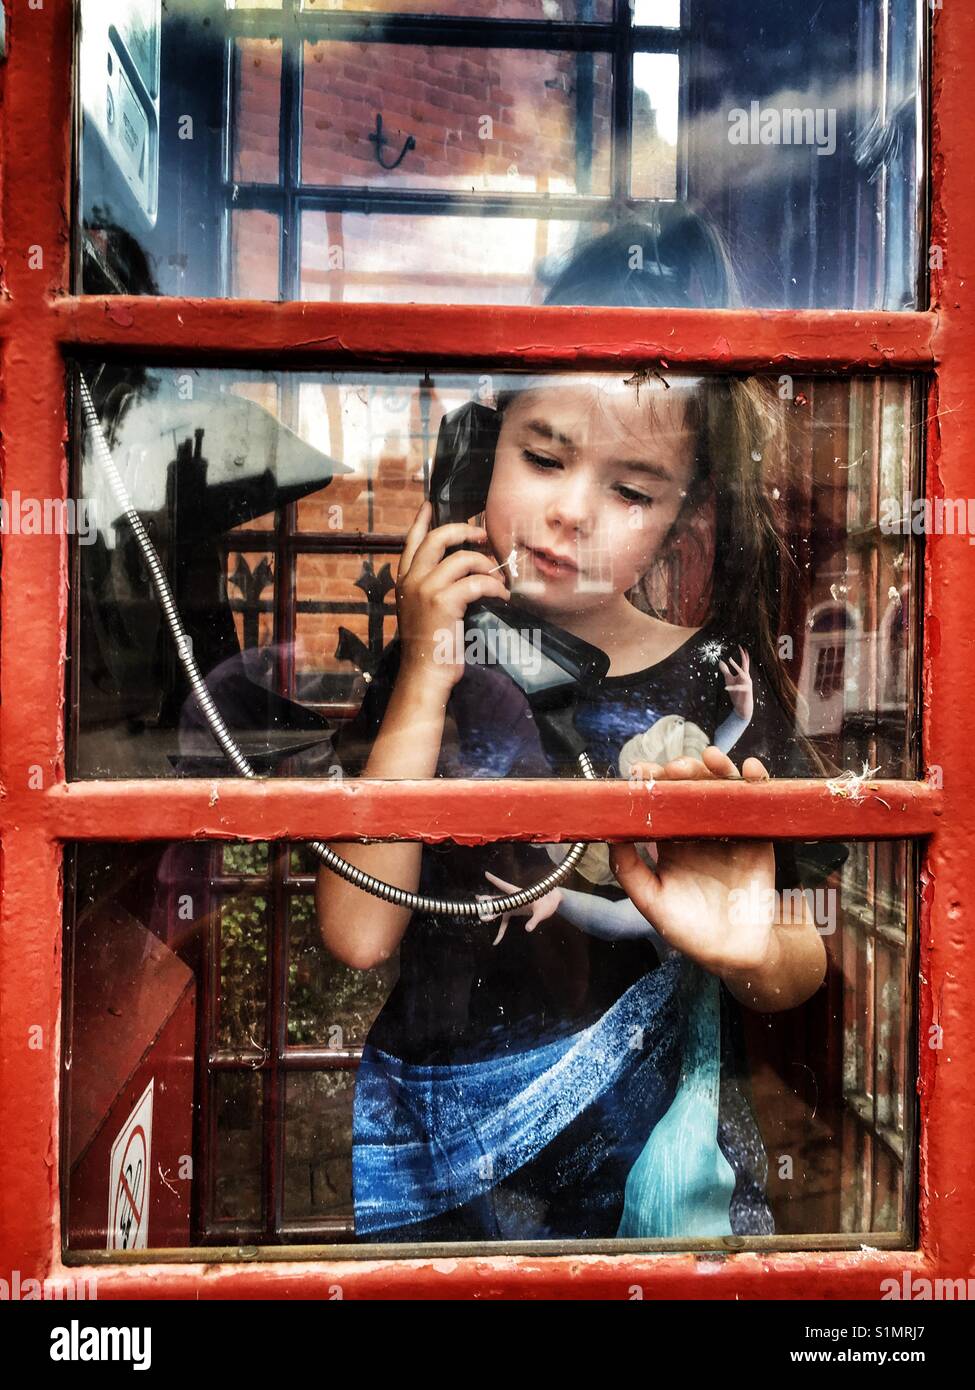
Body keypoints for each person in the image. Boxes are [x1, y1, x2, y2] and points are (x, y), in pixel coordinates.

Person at [316, 208, 843, 1243]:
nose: (571, 513)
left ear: (686, 513)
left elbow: (803, 961)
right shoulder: (431, 665)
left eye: (630, 489)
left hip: (646, 1193)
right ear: (479, 450)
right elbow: (357, 930)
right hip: (441, 1191)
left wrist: (748, 947)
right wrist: (427, 668)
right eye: (543, 458)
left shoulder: (712, 682)